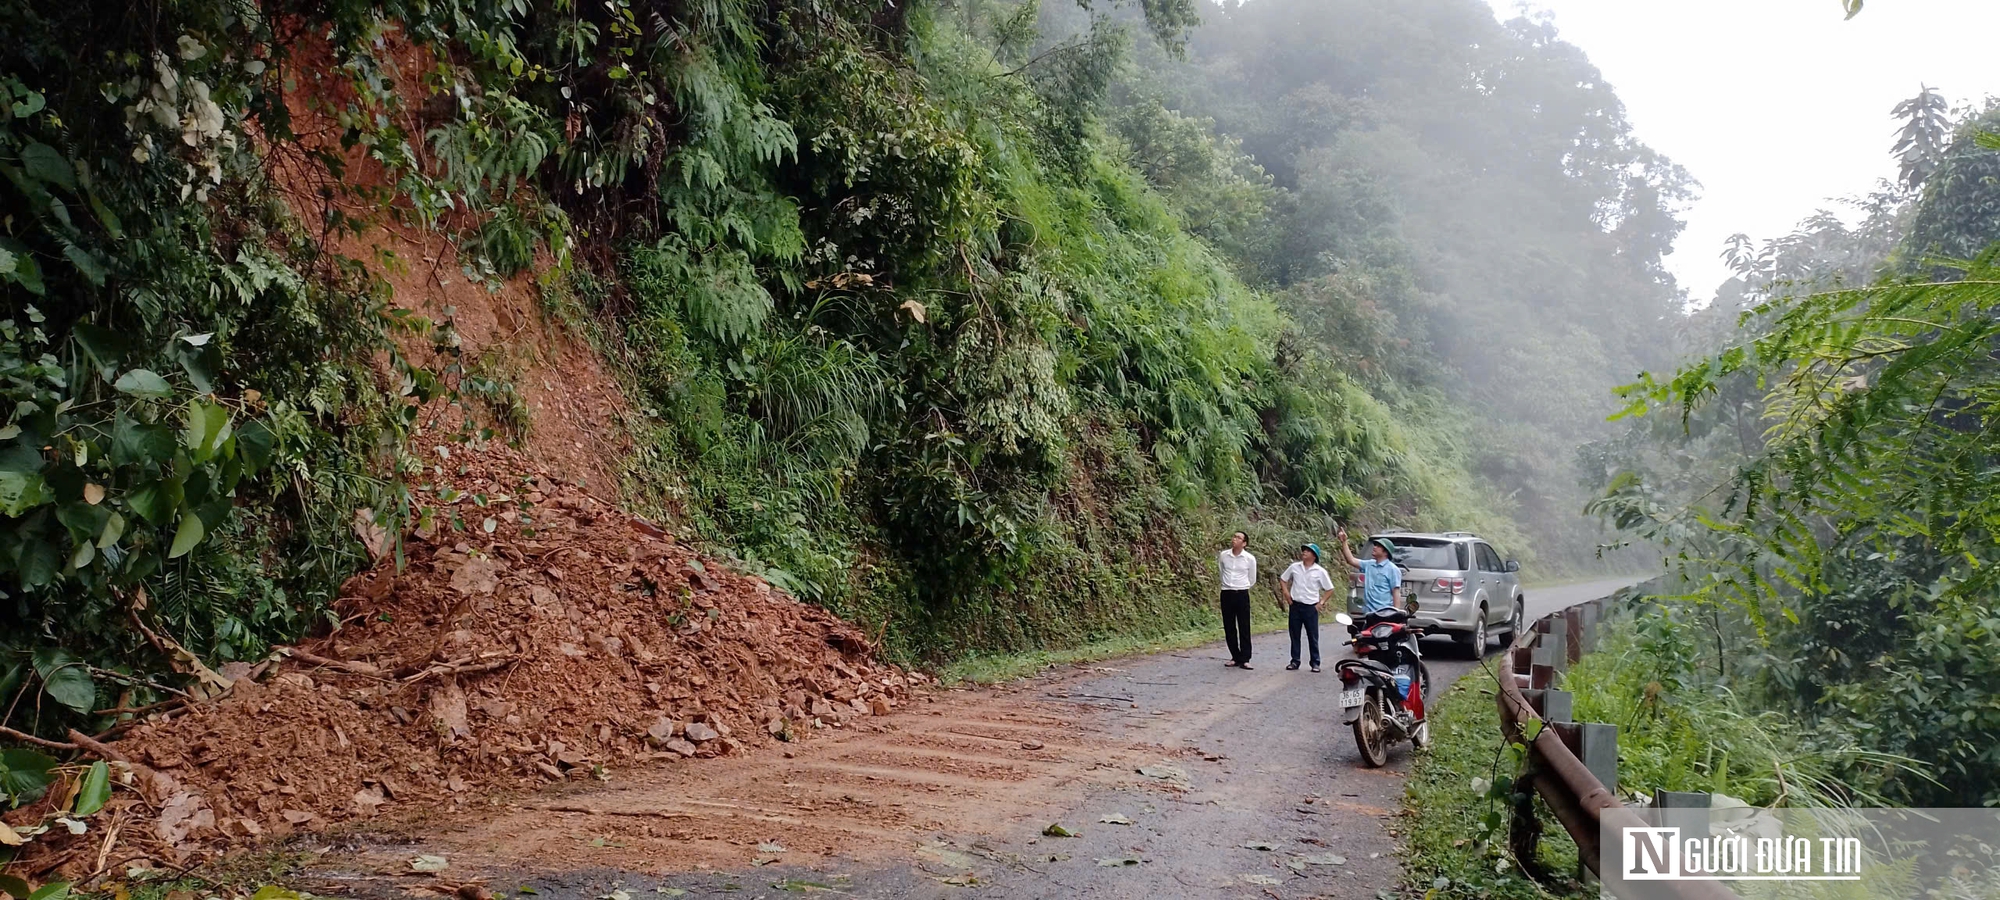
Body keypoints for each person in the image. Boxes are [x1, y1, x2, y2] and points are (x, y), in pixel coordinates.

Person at [1275, 543, 1337, 672]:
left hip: (1311, 607)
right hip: (1295, 605)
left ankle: (1315, 662)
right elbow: (1283, 579)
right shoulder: (1294, 567)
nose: (1304, 552)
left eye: (1308, 551)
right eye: (1304, 550)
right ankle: (1295, 661)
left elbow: (1329, 589)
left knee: (1312, 635)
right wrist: (1286, 594)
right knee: (1294, 634)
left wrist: (1321, 603)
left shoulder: (1320, 571)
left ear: (1314, 556)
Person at [1334, 526, 1403, 615]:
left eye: (1378, 546)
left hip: (1385, 614)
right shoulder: (1369, 564)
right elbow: (1351, 560)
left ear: (1386, 552)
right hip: (1368, 614)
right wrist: (1344, 542)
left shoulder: (1393, 569)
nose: (1374, 547)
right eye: (1375, 545)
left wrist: (1395, 614)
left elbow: (1395, 593)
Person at [1218, 531, 1257, 669]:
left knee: (1244, 626)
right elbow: (1221, 572)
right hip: (1226, 593)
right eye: (1234, 536)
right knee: (1229, 626)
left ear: (1244, 543)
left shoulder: (1249, 559)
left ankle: (1245, 658)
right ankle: (1235, 656)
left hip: (1241, 593)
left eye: (1238, 538)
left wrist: (1241, 586)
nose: (1235, 539)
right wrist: (1227, 585)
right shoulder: (1224, 555)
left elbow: (1252, 578)